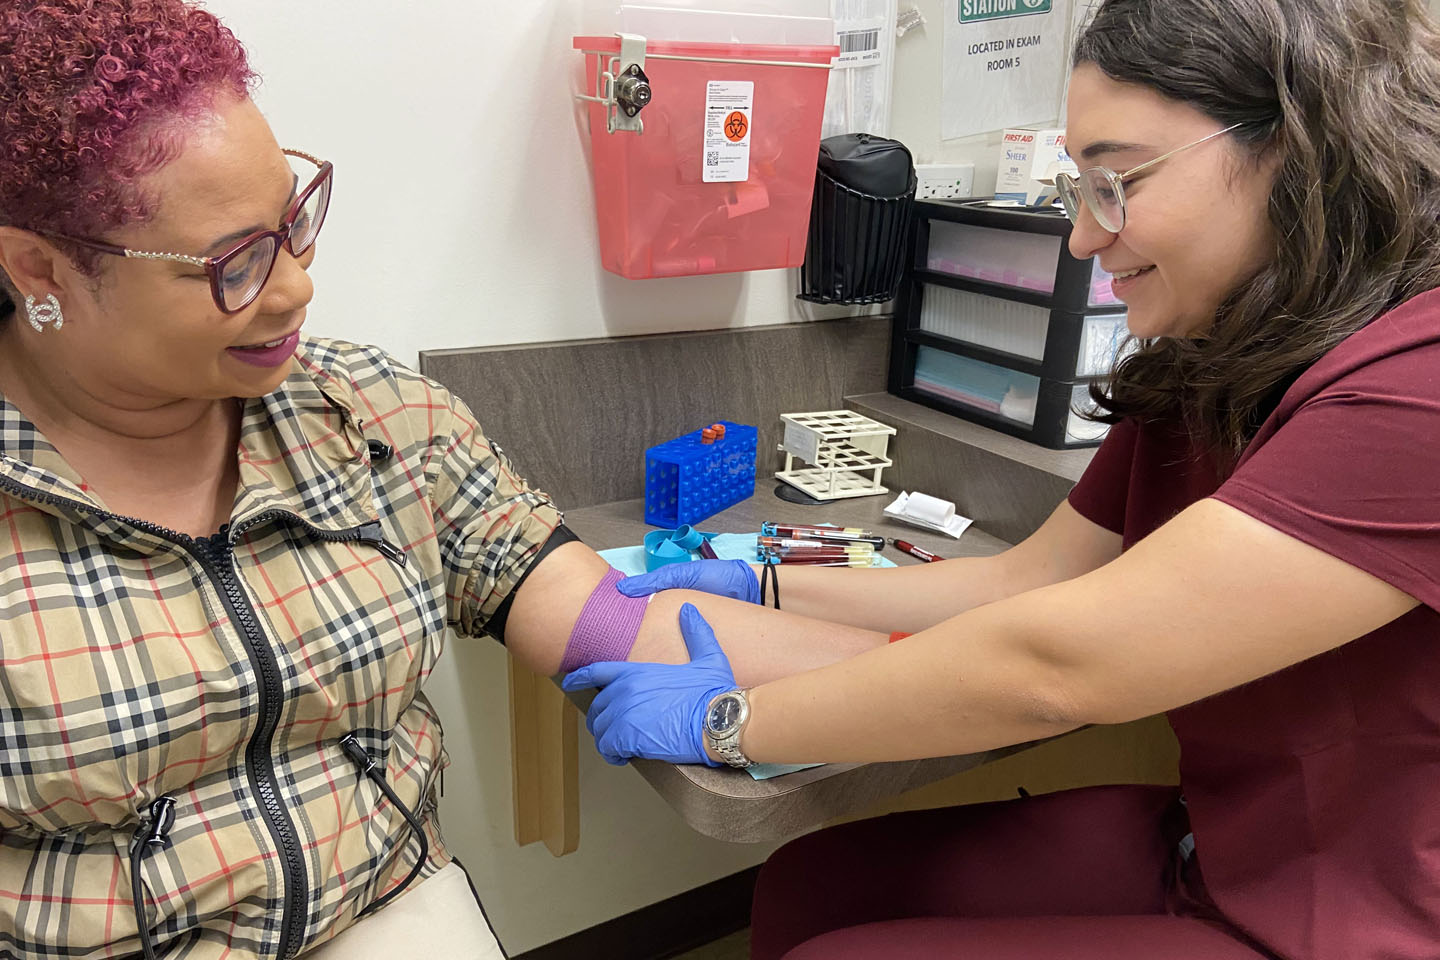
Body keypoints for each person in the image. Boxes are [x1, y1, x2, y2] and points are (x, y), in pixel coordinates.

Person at [0, 3, 891, 958]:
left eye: (293, 223)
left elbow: (607, 619)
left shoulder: (369, 416)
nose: (298, 286)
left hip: (383, 916)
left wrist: (918, 668)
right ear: (40, 268)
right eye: (234, 262)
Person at [563, 0, 1440, 957]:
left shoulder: (1416, 389)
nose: (1082, 240)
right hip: (1231, 847)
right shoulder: (1216, 360)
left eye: (1116, 180)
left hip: (1361, 922)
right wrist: (765, 578)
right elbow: (1029, 581)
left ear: (1299, 145)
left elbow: (1056, 664)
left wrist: (733, 723)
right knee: (809, 886)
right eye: (1079, 188)